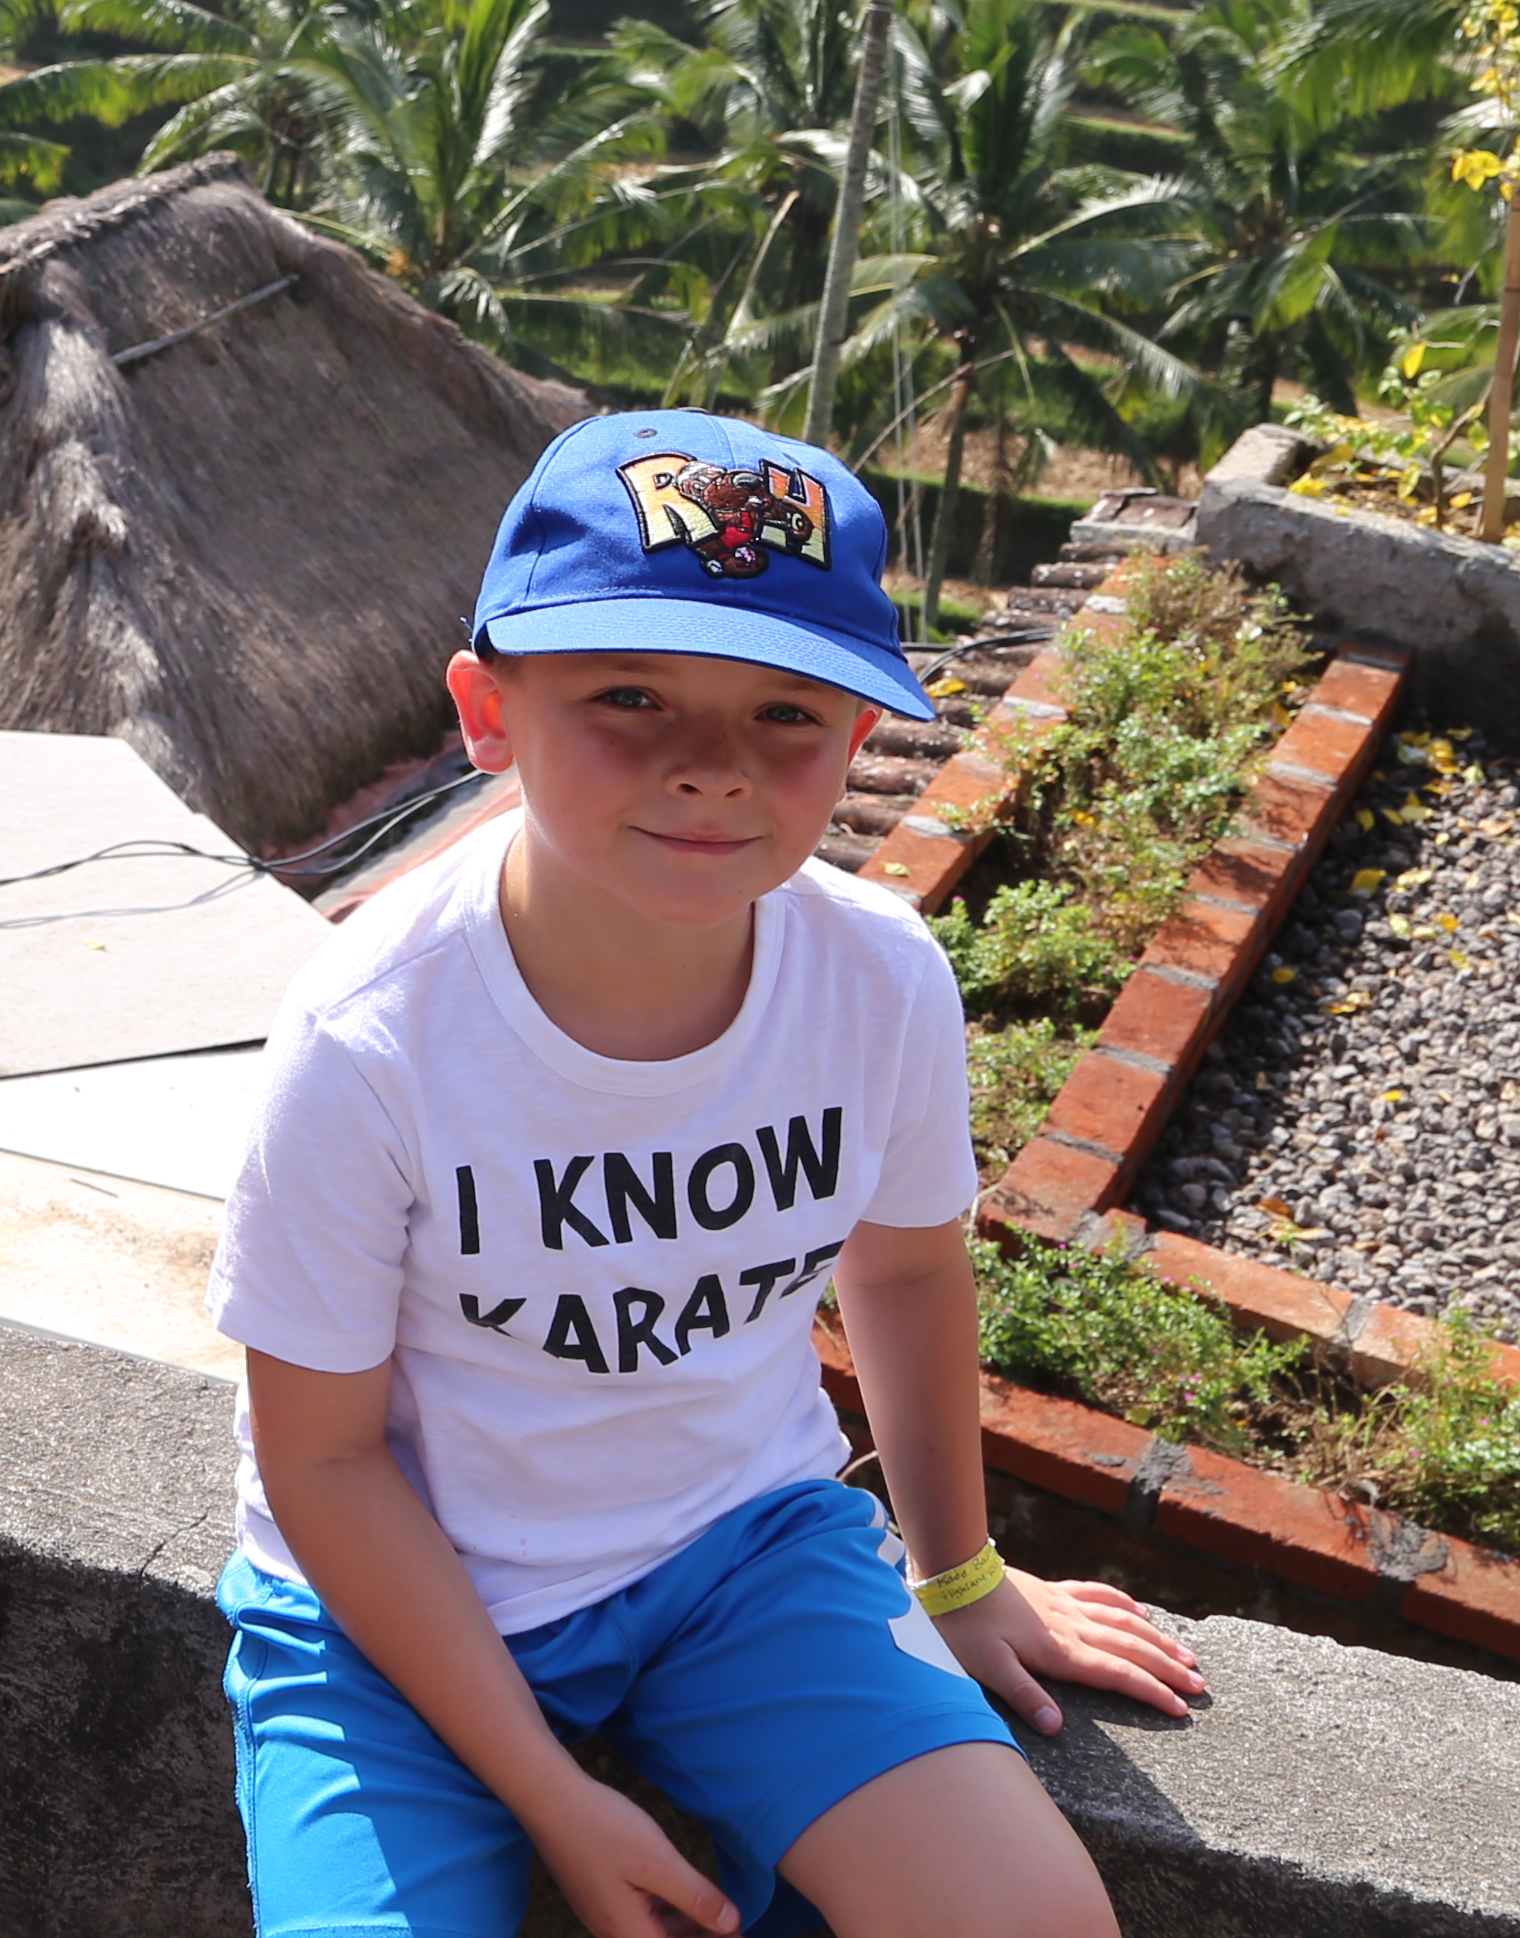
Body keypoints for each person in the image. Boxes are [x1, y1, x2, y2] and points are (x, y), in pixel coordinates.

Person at [209, 409, 1202, 1938]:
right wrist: (553, 1793)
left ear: (860, 740)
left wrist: (960, 1575)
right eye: (630, 696)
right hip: (393, 1615)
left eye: (786, 717)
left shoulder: (874, 978)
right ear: (488, 709)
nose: (713, 771)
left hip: (737, 1553)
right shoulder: (373, 1035)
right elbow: (324, 1461)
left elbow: (908, 1266)